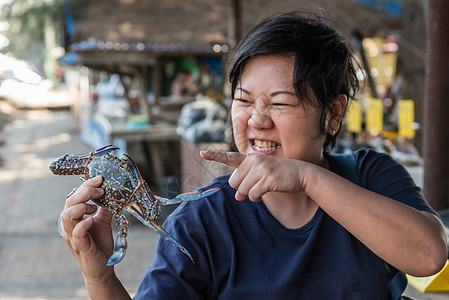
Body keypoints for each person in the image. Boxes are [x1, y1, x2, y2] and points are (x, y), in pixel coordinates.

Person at [58, 12, 447, 299]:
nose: (256, 120)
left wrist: (308, 178)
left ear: (333, 114)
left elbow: (429, 257)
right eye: (243, 101)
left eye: (280, 103)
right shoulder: (201, 221)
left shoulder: (370, 175)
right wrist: (100, 278)